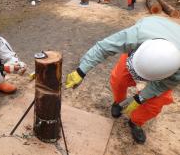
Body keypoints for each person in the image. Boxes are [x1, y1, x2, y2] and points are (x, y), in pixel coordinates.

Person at [66, 16, 180, 144]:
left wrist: (140, 98)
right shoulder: (136, 35)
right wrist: (81, 70)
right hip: (146, 43)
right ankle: (118, 103)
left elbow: (161, 86)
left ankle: (135, 122)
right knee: (119, 78)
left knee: (156, 101)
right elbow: (104, 47)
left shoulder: (177, 70)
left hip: (167, 67)